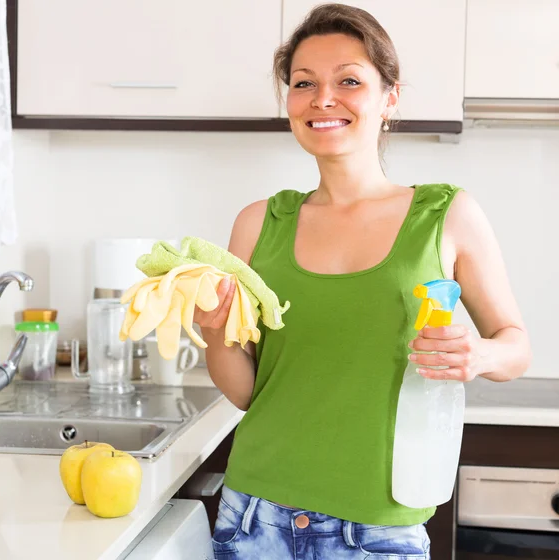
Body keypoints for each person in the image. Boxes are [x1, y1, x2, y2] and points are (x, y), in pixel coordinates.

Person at [194, 4, 531, 559]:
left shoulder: (446, 215)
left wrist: (479, 354)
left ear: (389, 98)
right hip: (255, 517)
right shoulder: (258, 223)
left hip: (380, 530)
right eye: (304, 84)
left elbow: (516, 347)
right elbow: (248, 391)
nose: (323, 99)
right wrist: (215, 333)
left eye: (348, 80)